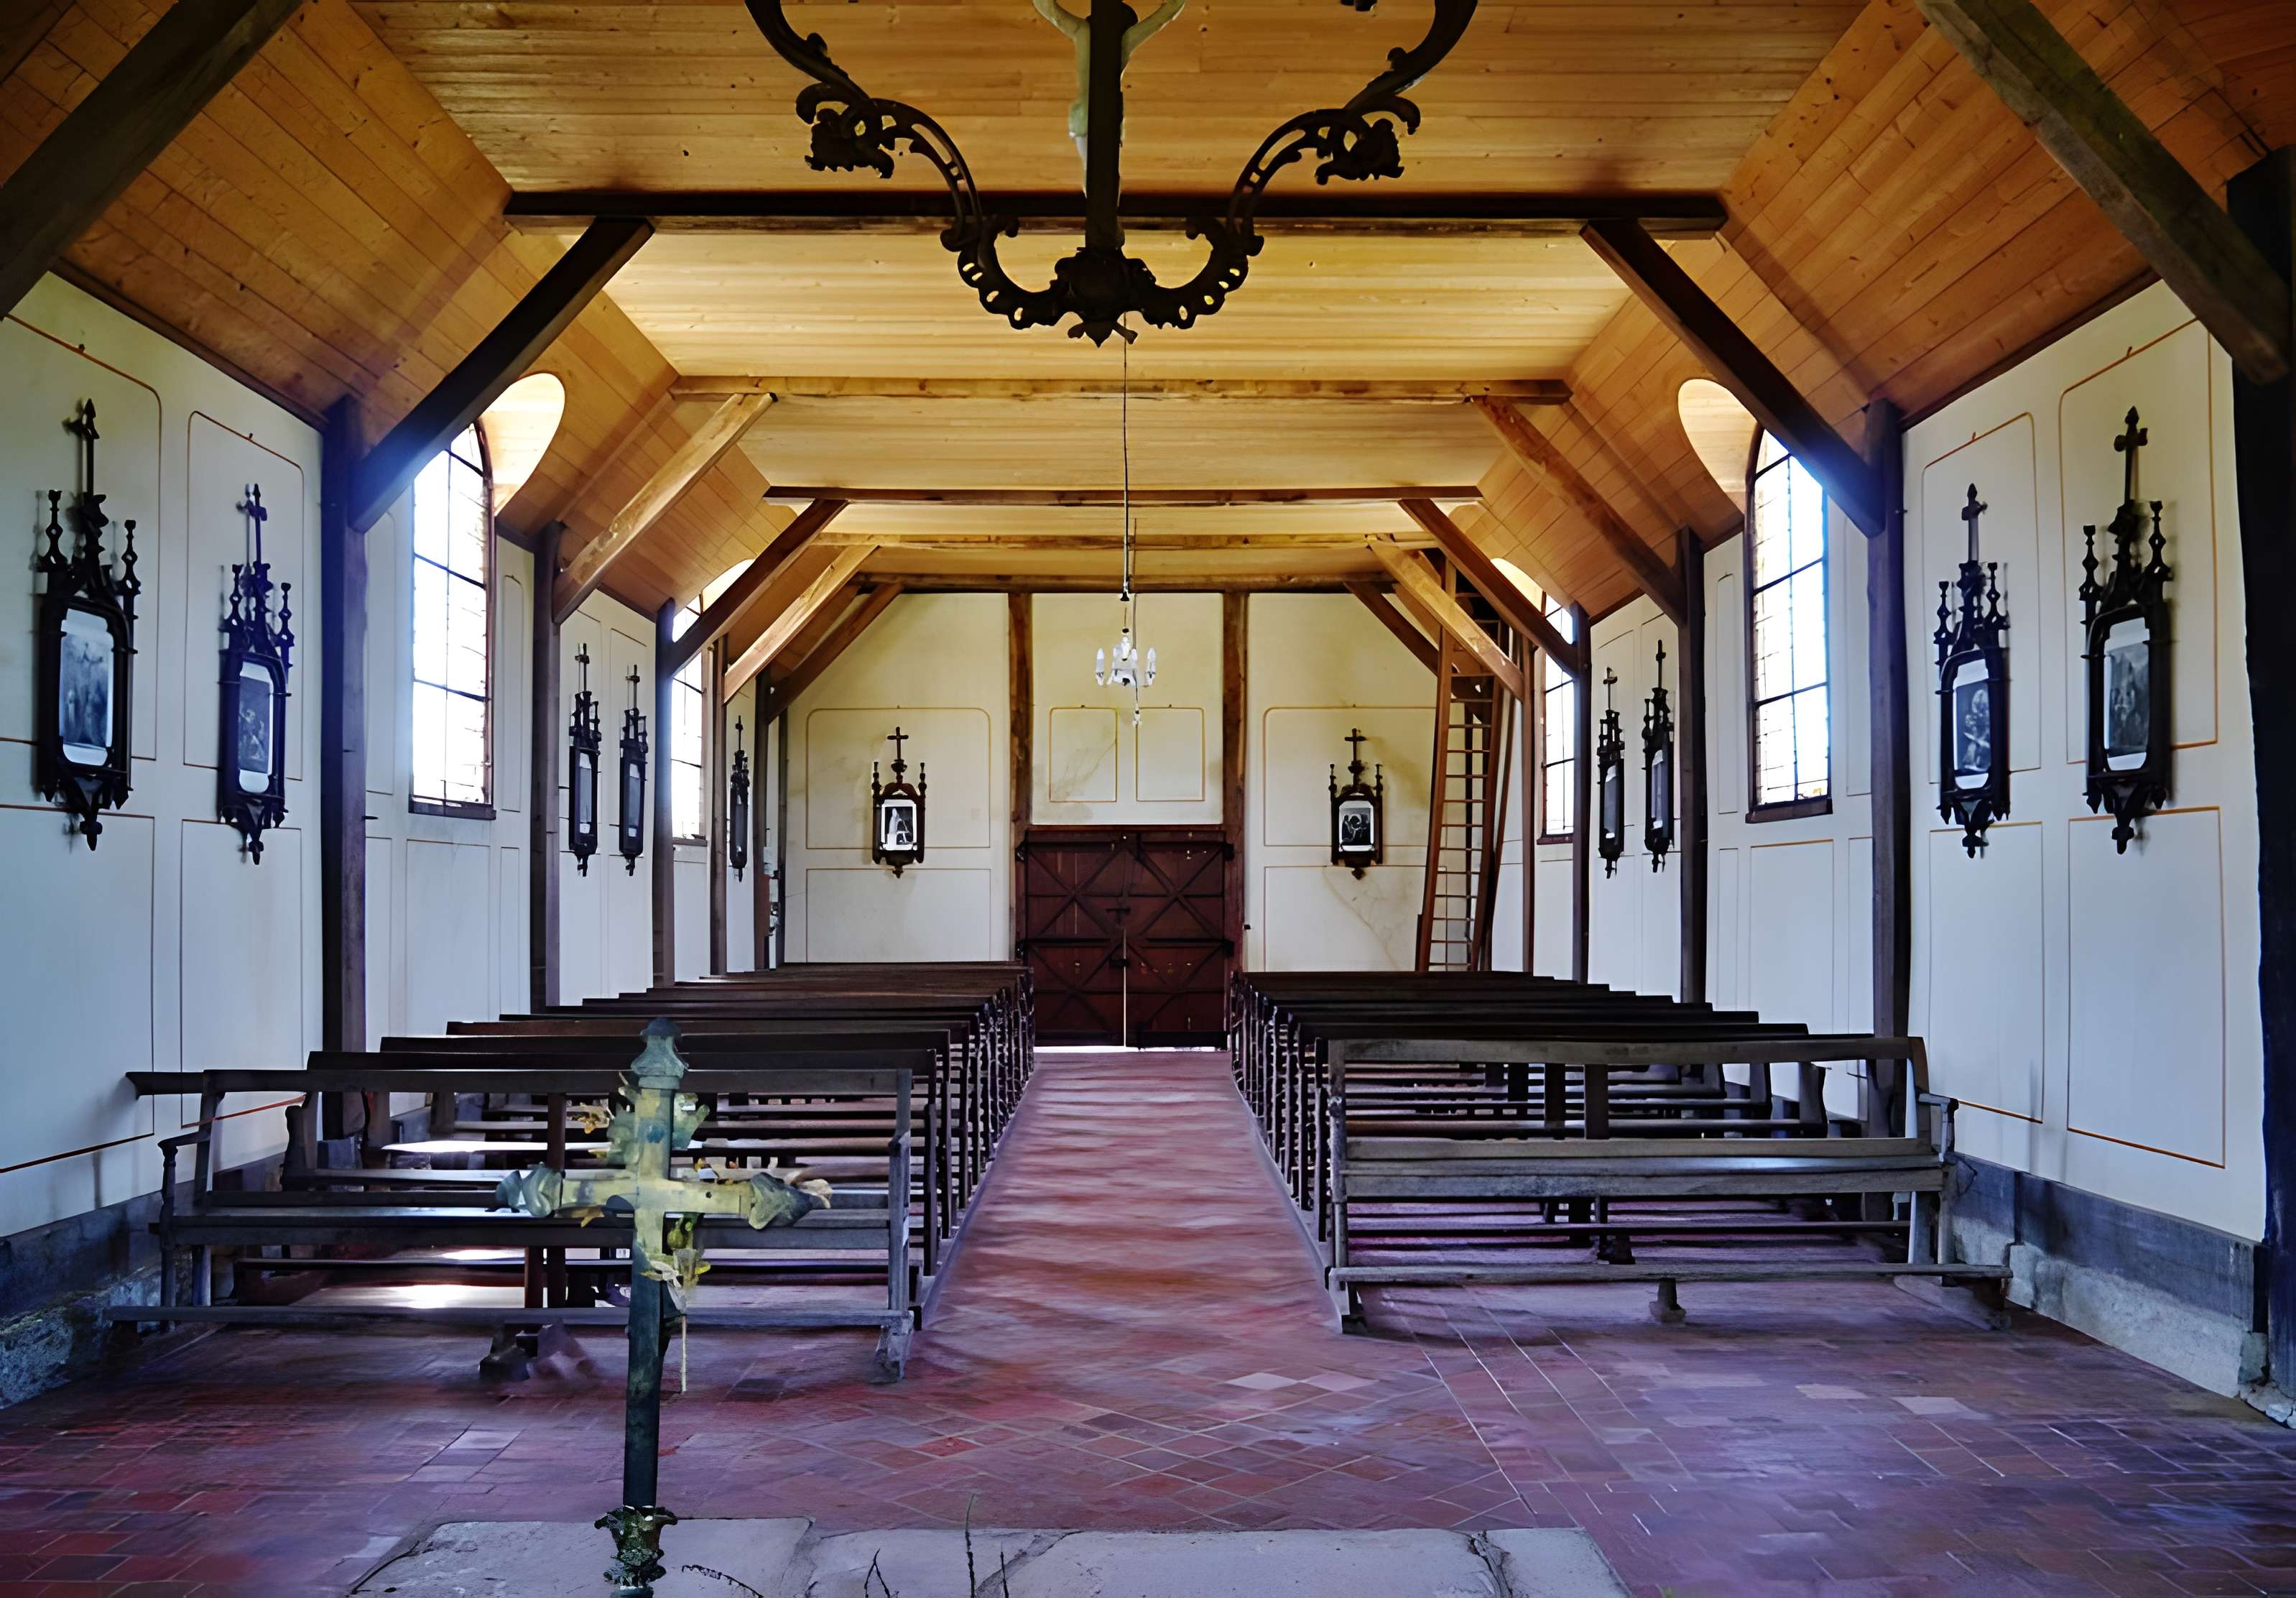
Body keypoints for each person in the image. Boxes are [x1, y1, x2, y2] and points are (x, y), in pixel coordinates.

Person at [1032, 0, 1187, 180]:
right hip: (1098, 115)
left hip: (1083, 116)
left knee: (1098, 176)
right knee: (1101, 178)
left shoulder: (1082, 32)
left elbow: (1048, 10)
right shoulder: (1122, 42)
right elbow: (1161, 19)